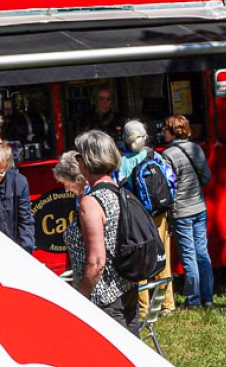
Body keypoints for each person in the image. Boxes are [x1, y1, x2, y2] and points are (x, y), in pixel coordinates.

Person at [67, 129, 137, 333]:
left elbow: (97, 262)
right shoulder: (120, 191)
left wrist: (78, 298)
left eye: (79, 156)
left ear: (88, 160)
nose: (78, 162)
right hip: (127, 289)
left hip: (102, 298)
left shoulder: (91, 202)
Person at [117, 120, 174, 315]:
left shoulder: (121, 162)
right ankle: (167, 304)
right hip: (159, 213)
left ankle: (143, 308)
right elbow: (170, 180)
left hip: (136, 217)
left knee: (139, 259)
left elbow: (119, 190)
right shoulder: (155, 156)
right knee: (162, 255)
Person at [161, 115, 214, 308]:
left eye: (165, 129)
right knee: (202, 253)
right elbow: (206, 177)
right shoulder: (196, 149)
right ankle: (207, 297)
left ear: (173, 131)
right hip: (199, 207)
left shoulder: (168, 155)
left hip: (181, 211)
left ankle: (193, 300)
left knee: (189, 255)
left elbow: (167, 186)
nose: (162, 132)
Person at [0, 145, 35, 253]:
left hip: (13, 247)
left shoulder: (18, 182)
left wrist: (26, 251)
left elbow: (25, 221)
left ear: (6, 168)